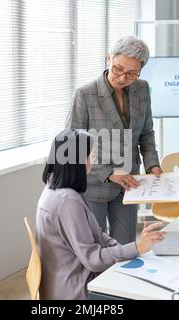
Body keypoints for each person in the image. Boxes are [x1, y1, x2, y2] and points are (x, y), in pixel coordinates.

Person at [36, 129, 165, 300]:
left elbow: (95, 234)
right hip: (77, 289)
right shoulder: (68, 202)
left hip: (64, 279)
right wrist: (138, 248)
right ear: (79, 160)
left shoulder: (53, 189)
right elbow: (93, 259)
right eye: (91, 156)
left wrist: (129, 249)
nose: (93, 161)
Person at [66, 35, 162, 244]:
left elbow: (146, 133)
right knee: (94, 250)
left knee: (126, 247)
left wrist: (152, 164)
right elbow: (71, 145)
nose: (122, 77)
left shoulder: (142, 89)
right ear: (107, 58)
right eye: (118, 69)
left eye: (131, 74)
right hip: (94, 184)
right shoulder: (85, 94)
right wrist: (108, 173)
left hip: (129, 184)